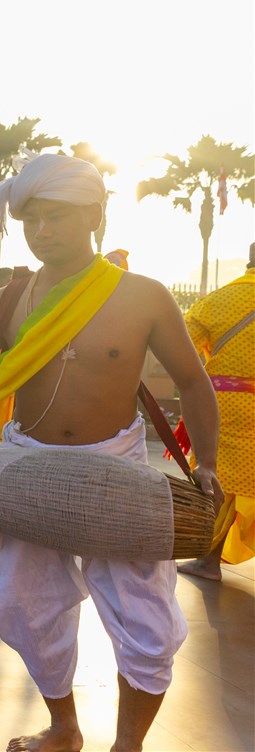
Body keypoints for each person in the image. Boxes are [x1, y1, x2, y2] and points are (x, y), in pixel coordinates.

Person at [0, 154, 220, 752]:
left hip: (116, 468)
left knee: (147, 621)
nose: (42, 231)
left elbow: (192, 379)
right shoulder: (8, 301)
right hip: (26, 463)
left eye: (56, 217)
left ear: (94, 216)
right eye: (32, 220)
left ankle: (127, 744)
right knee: (25, 605)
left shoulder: (144, 295)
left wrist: (204, 461)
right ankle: (64, 727)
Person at [176, 242, 254, 580]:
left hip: (224, 405)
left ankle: (208, 561)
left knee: (216, 478)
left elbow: (183, 350)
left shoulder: (218, 300)